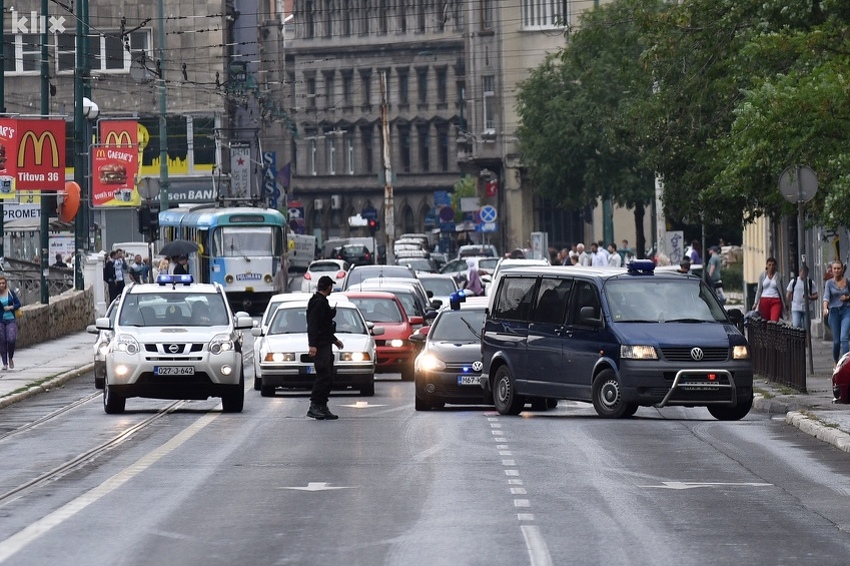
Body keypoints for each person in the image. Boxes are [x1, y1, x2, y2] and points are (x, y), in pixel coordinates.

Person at [306, 275, 344, 420]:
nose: (331, 289)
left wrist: (334, 340)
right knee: (323, 376)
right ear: (328, 287)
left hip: (325, 344)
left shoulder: (322, 302)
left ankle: (322, 406)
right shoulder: (317, 303)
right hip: (320, 346)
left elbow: (324, 326)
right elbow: (314, 325)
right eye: (331, 286)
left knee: (328, 376)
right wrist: (313, 345)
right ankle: (315, 406)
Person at [823, 261, 850, 365]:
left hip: (846, 311)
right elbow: (826, 297)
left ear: (842, 269)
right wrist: (825, 308)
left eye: (839, 268)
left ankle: (846, 364)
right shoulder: (829, 283)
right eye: (834, 268)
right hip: (833, 313)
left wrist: (847, 297)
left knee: (844, 338)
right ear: (832, 270)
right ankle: (835, 361)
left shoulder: (847, 281)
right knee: (836, 341)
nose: (836, 270)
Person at [752, 257, 786, 322]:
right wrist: (755, 303)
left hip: (776, 300)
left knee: (774, 320)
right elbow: (759, 290)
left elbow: (782, 290)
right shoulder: (762, 276)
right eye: (769, 265)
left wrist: (785, 303)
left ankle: (773, 331)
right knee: (765, 321)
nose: (771, 267)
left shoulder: (778, 276)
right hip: (764, 300)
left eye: (773, 265)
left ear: (775, 266)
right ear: (767, 265)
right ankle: (767, 332)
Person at [0, 275, 21, 370]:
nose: (1, 285)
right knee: (2, 341)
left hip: (11, 319)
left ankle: (10, 357)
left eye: (3, 283)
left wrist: (11, 307)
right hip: (1, 320)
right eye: (0, 283)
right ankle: (4, 363)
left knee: (11, 339)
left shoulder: (10, 293)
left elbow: (18, 303)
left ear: (6, 284)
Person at [787, 265, 817, 330]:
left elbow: (816, 295)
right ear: (799, 272)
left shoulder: (810, 282)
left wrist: (810, 297)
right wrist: (790, 302)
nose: (803, 274)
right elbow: (788, 294)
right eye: (802, 272)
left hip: (807, 308)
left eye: (805, 272)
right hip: (796, 307)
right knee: (796, 325)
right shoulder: (793, 282)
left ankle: (805, 339)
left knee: (806, 326)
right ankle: (798, 339)